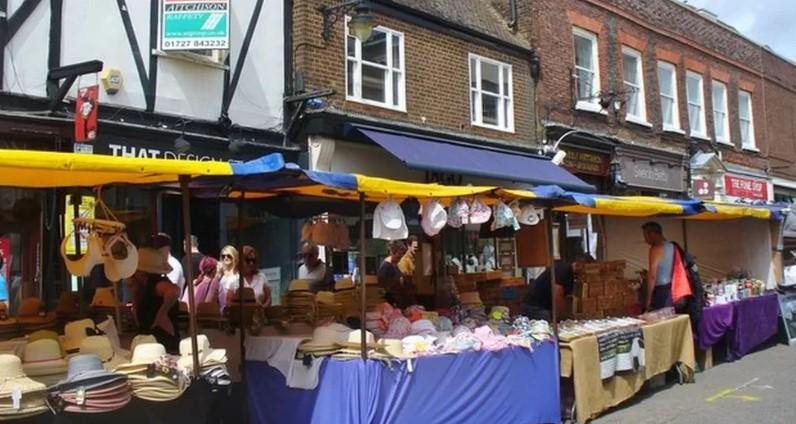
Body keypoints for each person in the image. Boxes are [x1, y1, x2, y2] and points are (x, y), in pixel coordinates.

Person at [126, 248, 180, 352]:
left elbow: (174, 291)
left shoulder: (156, 283)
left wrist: (161, 314)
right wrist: (134, 292)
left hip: (161, 340)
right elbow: (139, 319)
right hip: (149, 340)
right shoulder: (143, 287)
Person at [522, 253, 594, 322]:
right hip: (536, 306)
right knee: (549, 327)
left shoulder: (573, 275)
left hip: (545, 306)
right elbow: (557, 296)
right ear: (580, 264)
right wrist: (559, 318)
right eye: (587, 270)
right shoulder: (563, 270)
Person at [642, 222, 675, 311]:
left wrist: (648, 299)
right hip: (672, 288)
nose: (645, 240)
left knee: (660, 319)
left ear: (652, 234)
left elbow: (652, 276)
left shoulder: (655, 249)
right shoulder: (672, 246)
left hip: (661, 290)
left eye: (645, 236)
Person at [378, 240, 417, 308]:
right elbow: (382, 286)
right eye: (399, 255)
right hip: (390, 302)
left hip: (399, 301)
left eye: (402, 255)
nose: (400, 258)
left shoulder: (395, 265)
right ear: (392, 252)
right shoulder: (386, 266)